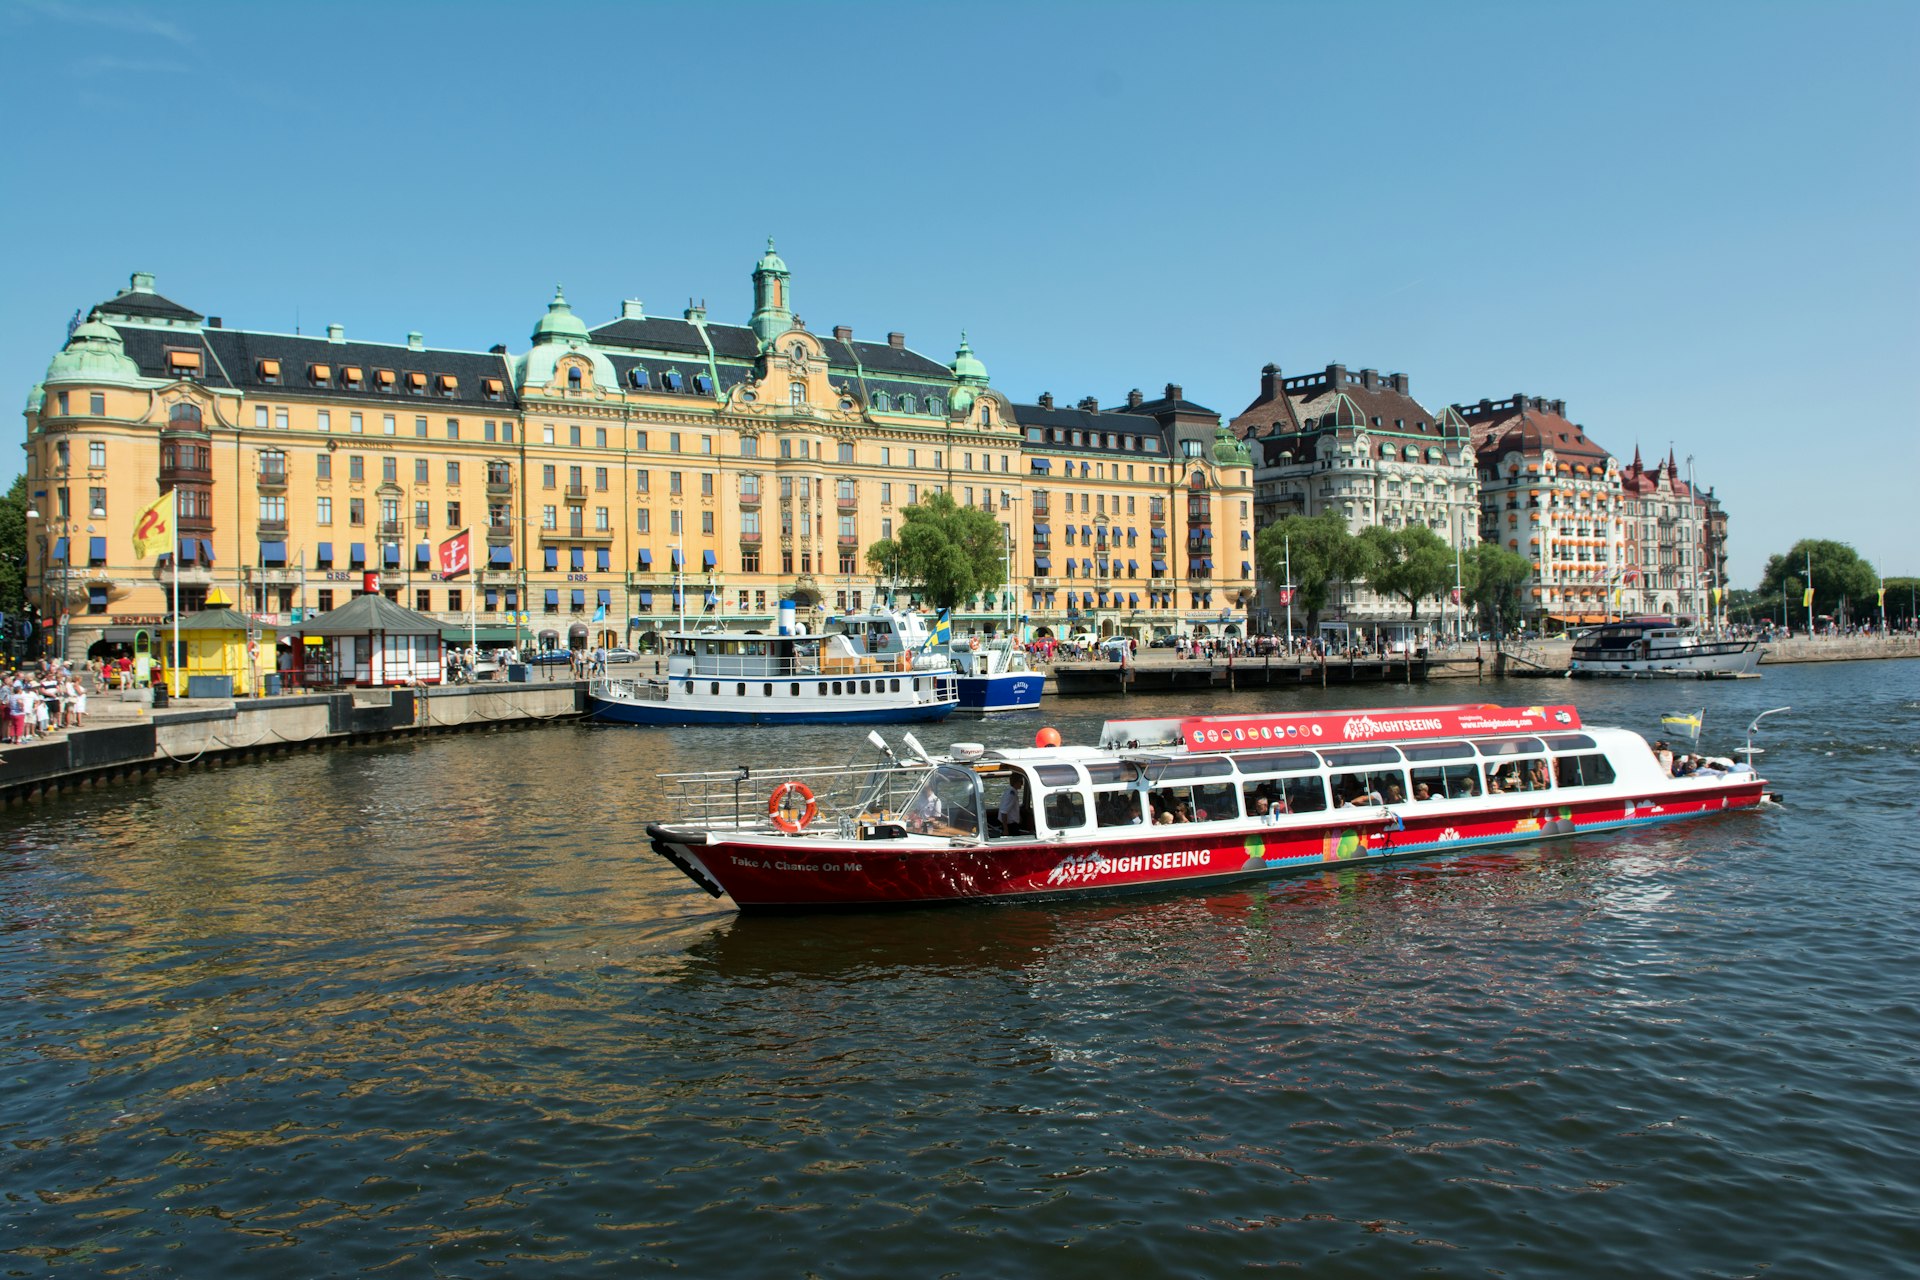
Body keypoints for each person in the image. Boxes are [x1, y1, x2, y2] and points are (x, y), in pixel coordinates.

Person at [996, 771, 1027, 836]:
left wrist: (1019, 817)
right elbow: (1004, 812)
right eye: (1021, 782)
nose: (1022, 784)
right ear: (1016, 782)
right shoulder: (1011, 794)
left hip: (1013, 824)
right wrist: (1006, 830)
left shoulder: (1011, 791)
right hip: (1011, 826)